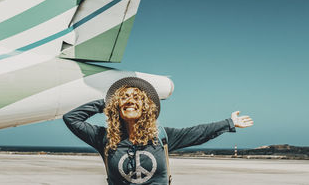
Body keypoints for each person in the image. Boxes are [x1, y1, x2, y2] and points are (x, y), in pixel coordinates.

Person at [63, 77, 253, 185]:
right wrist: (106, 103)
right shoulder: (104, 138)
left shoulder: (161, 137)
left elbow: (199, 132)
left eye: (137, 97)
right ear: (116, 106)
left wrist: (229, 122)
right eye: (125, 97)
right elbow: (71, 118)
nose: (130, 100)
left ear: (145, 107)